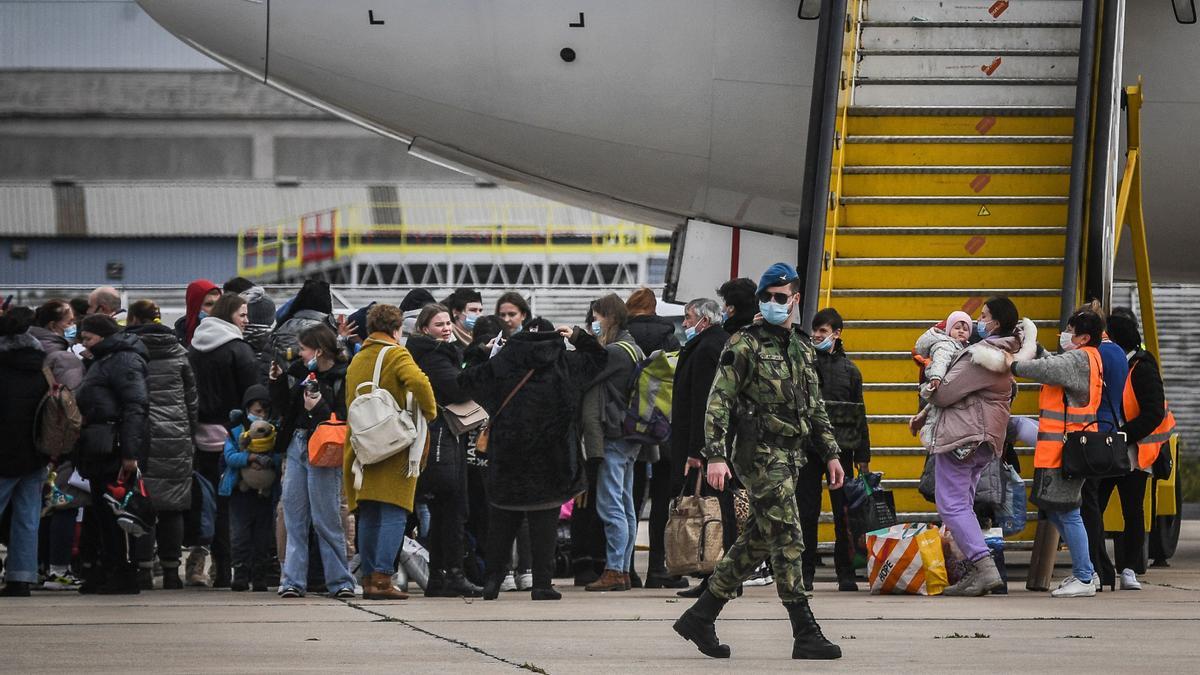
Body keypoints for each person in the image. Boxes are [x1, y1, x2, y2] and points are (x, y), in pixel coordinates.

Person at [673, 262, 844, 661]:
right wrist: (714, 454)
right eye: (765, 297)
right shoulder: (744, 344)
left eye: (779, 298)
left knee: (755, 542)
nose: (771, 303)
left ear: (795, 299)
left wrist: (832, 452)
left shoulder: (802, 346)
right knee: (788, 537)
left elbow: (815, 407)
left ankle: (701, 615)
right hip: (759, 455)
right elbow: (718, 402)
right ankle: (805, 630)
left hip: (792, 454)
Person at [460, 317, 607, 601]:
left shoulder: (503, 362)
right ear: (555, 334)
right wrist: (578, 336)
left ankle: (492, 581)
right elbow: (599, 358)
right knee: (544, 526)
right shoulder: (565, 362)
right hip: (553, 459)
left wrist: (480, 351)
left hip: (507, 457)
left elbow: (465, 380)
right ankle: (541, 583)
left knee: (502, 523)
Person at [920, 297, 1037, 596]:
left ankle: (984, 568)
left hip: (964, 435)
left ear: (996, 323)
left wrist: (927, 386)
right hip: (984, 438)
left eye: (983, 316)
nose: (977, 322)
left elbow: (944, 392)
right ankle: (975, 572)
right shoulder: (1007, 353)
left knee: (951, 504)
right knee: (964, 503)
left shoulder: (984, 355)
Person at [1010, 307, 1106, 598]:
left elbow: (1043, 370)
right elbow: (1052, 364)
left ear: (1084, 337)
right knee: (1056, 511)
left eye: (1070, 330)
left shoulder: (1079, 358)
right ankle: (1086, 571)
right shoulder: (1084, 358)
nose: (1065, 334)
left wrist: (1010, 362)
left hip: (1064, 452)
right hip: (1065, 450)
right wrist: (1035, 347)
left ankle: (1085, 577)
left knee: (1068, 512)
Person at [343, 304, 436, 600]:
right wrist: (430, 412)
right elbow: (419, 382)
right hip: (392, 447)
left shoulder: (358, 357)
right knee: (395, 512)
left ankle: (370, 578)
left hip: (362, 446)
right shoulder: (396, 353)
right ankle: (384, 578)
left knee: (369, 512)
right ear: (397, 330)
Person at [1091, 308, 1174, 590]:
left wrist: (1124, 436)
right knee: (1095, 506)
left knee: (1132, 511)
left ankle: (1128, 569)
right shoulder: (1110, 363)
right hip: (1109, 447)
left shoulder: (1143, 368)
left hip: (1134, 453)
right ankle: (1098, 566)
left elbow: (1153, 414)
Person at [272, 323, 357, 598]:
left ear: (318, 350)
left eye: (304, 348)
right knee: (294, 515)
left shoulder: (342, 376)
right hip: (297, 445)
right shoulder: (300, 373)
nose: (299, 353)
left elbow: (343, 415)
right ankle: (292, 581)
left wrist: (318, 407)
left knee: (326, 518)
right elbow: (285, 409)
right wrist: (275, 383)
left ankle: (340, 580)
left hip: (325, 448)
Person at [407, 304, 482, 598]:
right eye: (439, 324)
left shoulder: (433, 352)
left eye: (448, 322)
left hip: (438, 438)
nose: (447, 328)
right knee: (451, 508)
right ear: (425, 328)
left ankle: (440, 575)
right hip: (441, 439)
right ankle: (452, 574)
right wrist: (477, 370)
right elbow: (458, 389)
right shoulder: (435, 355)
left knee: (442, 511)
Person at [126, 300, 199, 590]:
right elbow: (191, 399)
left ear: (132, 319)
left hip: (141, 436)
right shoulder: (179, 351)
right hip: (176, 435)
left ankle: (143, 569)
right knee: (173, 506)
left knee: (142, 504)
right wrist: (188, 433)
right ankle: (171, 572)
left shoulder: (129, 350)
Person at [74, 313, 150, 594]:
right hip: (101, 445)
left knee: (115, 512)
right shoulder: (105, 360)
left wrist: (130, 453)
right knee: (104, 513)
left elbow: (135, 406)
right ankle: (109, 570)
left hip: (113, 447)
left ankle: (121, 573)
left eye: (88, 338)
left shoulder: (122, 360)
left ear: (103, 337)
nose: (84, 344)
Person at [187, 293, 259, 587]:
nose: (247, 321)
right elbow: (251, 396)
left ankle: (204, 560)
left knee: (205, 503)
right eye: (242, 315)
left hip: (198, 436)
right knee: (231, 505)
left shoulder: (194, 345)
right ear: (230, 314)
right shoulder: (238, 350)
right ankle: (226, 568)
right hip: (230, 437)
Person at [670, 297, 736, 598]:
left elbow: (706, 404)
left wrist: (698, 450)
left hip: (709, 449)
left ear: (704, 320)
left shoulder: (709, 347)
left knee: (716, 512)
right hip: (715, 446)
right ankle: (718, 577)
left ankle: (721, 578)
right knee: (718, 511)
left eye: (688, 317)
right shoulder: (714, 343)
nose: (684, 324)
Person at [579, 294, 644, 592]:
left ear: (610, 317)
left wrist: (579, 338)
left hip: (614, 436)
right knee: (626, 505)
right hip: (629, 437)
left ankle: (616, 569)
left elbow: (590, 370)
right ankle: (622, 568)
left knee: (610, 506)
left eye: (597, 317)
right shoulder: (634, 348)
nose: (594, 323)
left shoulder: (618, 351)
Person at [804, 308, 872, 592]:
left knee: (844, 514)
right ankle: (805, 571)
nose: (817, 335)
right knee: (805, 512)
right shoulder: (803, 364)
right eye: (815, 330)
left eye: (823, 331)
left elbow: (860, 414)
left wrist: (863, 457)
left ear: (836, 333)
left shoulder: (850, 371)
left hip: (842, 450)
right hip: (807, 449)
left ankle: (846, 573)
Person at [622, 287, 683, 589]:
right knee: (661, 499)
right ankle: (657, 568)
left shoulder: (623, 337)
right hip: (664, 427)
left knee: (628, 498)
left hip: (630, 427)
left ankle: (625, 568)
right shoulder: (670, 338)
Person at [1077, 301, 1130, 591]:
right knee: (1092, 502)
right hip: (1110, 431)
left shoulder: (1096, 353)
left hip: (1093, 433)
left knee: (1088, 504)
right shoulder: (1118, 352)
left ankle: (1098, 568)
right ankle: (1103, 569)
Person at [0, 308, 51, 597]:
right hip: (35, 451)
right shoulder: (39, 366)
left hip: (3, 452)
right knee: (28, 517)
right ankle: (21, 577)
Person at [221, 385, 279, 592]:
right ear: (247, 410)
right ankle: (240, 574)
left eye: (264, 411)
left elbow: (280, 457)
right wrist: (250, 458)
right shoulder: (235, 430)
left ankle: (260, 575)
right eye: (256, 411)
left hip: (264, 494)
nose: (261, 416)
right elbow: (229, 457)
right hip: (240, 492)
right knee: (240, 536)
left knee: (263, 537)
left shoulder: (274, 431)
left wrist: (268, 461)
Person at [31, 298, 84, 390]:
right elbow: (70, 398)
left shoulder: (27, 346)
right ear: (52, 326)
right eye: (69, 322)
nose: (73, 326)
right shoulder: (64, 358)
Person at [176, 279, 220, 347]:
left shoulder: (229, 335)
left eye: (219, 304)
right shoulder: (176, 337)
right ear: (194, 307)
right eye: (209, 304)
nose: (216, 309)